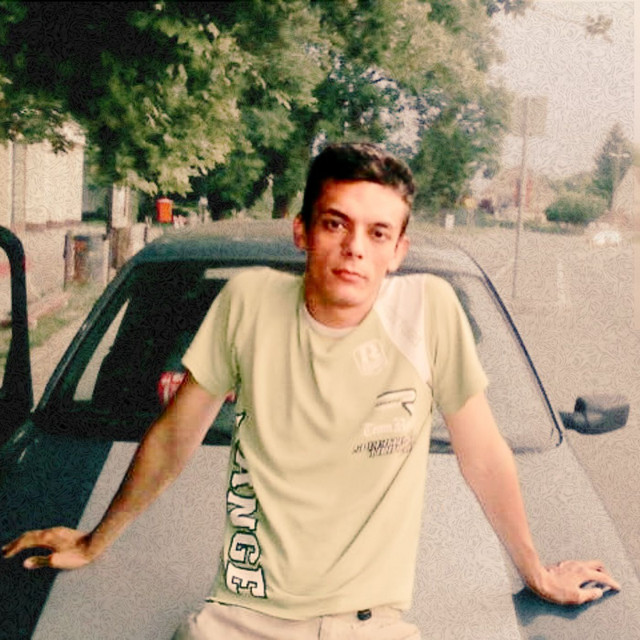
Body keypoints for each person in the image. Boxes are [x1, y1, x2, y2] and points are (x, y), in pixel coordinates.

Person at [2, 143, 620, 639]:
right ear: (302, 232)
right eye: (335, 224)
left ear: (398, 251)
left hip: (370, 626)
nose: (355, 249)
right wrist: (94, 540)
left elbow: (482, 454)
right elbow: (173, 438)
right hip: (240, 619)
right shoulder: (247, 303)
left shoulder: (429, 311)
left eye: (378, 233)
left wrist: (534, 570)